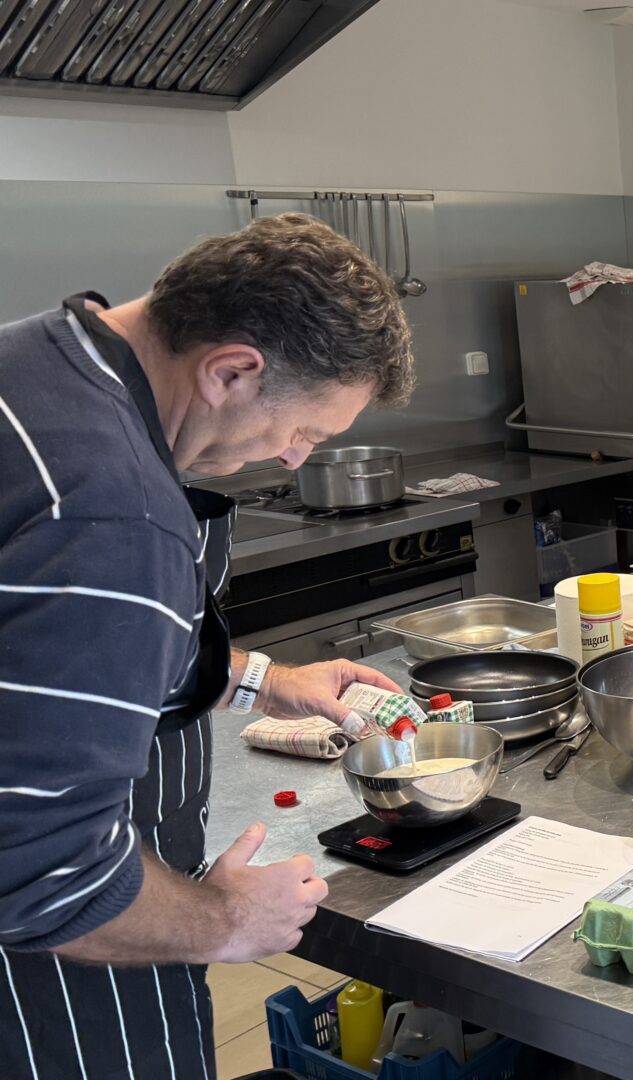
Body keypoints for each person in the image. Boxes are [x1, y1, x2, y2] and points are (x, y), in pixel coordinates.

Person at [0, 213, 416, 1078]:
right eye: (307, 433)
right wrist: (226, 919)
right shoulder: (113, 509)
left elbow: (34, 648)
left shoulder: (40, 357)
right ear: (231, 371)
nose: (297, 461)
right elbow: (49, 879)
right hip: (38, 977)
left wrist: (261, 677)